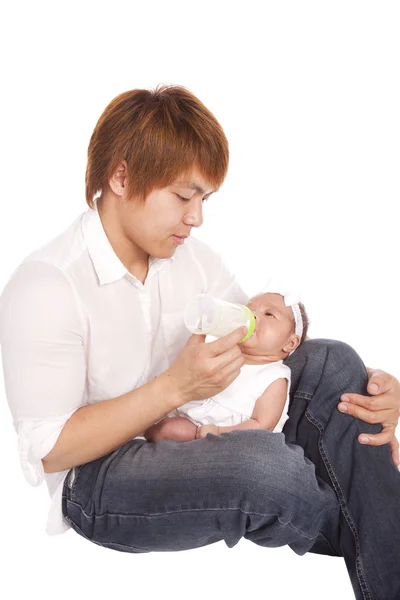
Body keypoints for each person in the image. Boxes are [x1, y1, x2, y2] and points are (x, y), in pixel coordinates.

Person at [0, 85, 399, 600]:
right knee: (265, 467)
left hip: (206, 420)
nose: (197, 218)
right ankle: (377, 513)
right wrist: (173, 388)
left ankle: (375, 506)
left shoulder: (195, 260)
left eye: (204, 200)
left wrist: (372, 408)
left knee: (333, 361)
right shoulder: (46, 285)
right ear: (121, 176)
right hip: (103, 476)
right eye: (184, 197)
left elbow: (264, 352)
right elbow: (51, 451)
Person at [144, 292, 309, 443]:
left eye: (269, 314)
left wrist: (218, 431)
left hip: (229, 436)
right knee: (163, 425)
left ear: (290, 343)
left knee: (171, 430)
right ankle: (140, 434)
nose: (253, 316)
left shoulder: (274, 377)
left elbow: (263, 425)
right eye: (249, 310)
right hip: (192, 416)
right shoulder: (225, 350)